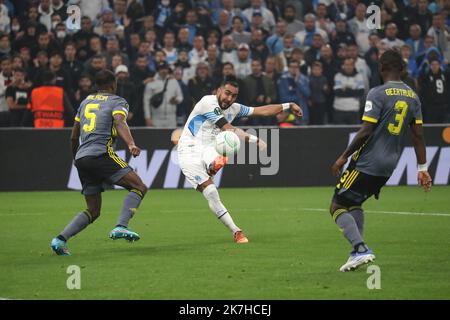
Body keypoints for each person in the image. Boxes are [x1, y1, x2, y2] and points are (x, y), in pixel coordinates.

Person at [329, 50, 432, 272]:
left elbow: (366, 130)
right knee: (354, 203)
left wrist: (342, 157)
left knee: (337, 206)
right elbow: (418, 136)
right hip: (389, 166)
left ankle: (361, 248)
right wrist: (423, 168)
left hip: (367, 162)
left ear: (382, 68)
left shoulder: (377, 93)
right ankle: (357, 252)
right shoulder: (413, 96)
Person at [177, 76, 302, 243]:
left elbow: (262, 110)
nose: (229, 98)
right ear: (219, 90)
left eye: (233, 96)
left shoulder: (234, 108)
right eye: (227, 93)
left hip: (208, 148)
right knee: (228, 143)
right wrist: (254, 140)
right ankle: (235, 228)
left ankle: (235, 230)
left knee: (223, 156)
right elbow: (228, 128)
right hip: (189, 150)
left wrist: (289, 105)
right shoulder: (208, 102)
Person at [50, 70, 147, 255]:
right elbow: (120, 122)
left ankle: (60, 240)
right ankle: (121, 226)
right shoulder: (117, 101)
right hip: (101, 153)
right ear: (113, 85)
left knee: (93, 210)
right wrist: (131, 143)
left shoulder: (85, 102)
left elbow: (73, 136)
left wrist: (76, 159)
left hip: (82, 157)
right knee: (139, 186)